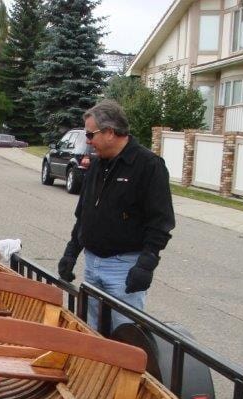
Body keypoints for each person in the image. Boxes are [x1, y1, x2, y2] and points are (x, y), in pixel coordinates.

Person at [58, 100, 175, 330]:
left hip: (123, 268)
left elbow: (160, 222)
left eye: (91, 135)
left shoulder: (148, 166)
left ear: (110, 132)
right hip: (92, 264)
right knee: (91, 331)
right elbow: (83, 215)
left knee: (123, 337)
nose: (88, 142)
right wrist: (71, 252)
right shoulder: (96, 165)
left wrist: (146, 264)